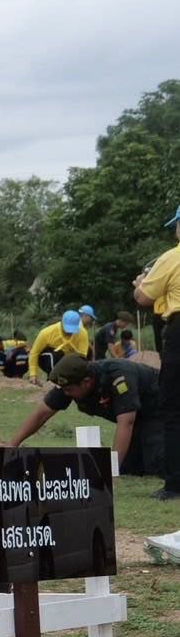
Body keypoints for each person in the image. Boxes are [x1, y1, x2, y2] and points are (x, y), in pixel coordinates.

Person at [9, 355, 166, 477]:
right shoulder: (71, 381)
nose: (66, 394)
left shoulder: (119, 377)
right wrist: (11, 446)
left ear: (87, 382)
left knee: (157, 465)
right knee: (129, 468)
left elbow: (127, 422)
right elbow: (41, 415)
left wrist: (111, 472)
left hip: (160, 408)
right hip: (138, 417)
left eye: (69, 390)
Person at [134, 203, 180, 500]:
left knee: (174, 408)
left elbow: (143, 297)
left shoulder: (172, 257)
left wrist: (141, 283)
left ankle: (175, 484)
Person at [27, 310, 89, 381]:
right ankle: (53, 379)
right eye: (67, 329)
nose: (69, 332)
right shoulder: (46, 333)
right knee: (56, 354)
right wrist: (33, 374)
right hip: (48, 358)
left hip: (67, 358)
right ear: (62, 322)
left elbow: (82, 356)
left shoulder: (82, 333)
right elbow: (34, 353)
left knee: (81, 359)